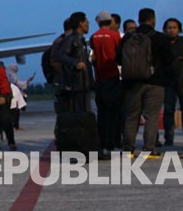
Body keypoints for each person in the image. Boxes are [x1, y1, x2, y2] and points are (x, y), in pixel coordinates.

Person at [117, 8, 173, 157]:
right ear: (153, 19)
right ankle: (149, 149)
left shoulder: (128, 37)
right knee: (152, 116)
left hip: (132, 83)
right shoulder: (160, 38)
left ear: (139, 19)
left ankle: (128, 149)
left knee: (131, 116)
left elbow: (118, 59)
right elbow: (169, 60)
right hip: (155, 82)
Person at [90, 10, 122, 158]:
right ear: (111, 21)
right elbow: (119, 56)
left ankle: (101, 143)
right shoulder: (115, 36)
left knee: (101, 113)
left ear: (98, 22)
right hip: (112, 76)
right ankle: (112, 143)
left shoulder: (93, 37)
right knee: (113, 113)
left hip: (99, 78)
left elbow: (93, 57)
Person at [162, 18, 183, 147]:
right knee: (168, 110)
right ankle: (168, 138)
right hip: (168, 81)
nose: (171, 30)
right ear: (165, 30)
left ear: (179, 29)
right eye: (169, 28)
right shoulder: (162, 43)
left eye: (174, 27)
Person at [59, 12, 93, 113]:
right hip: (76, 84)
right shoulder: (70, 39)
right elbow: (62, 56)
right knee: (79, 113)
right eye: (86, 22)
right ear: (80, 23)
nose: (88, 25)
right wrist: (75, 63)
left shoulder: (81, 40)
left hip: (83, 84)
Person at [5, 63, 33, 134]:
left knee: (14, 111)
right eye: (15, 67)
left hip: (13, 94)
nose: (17, 68)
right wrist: (27, 81)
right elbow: (18, 83)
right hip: (14, 94)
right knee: (15, 111)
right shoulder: (12, 75)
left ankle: (15, 126)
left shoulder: (10, 74)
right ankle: (15, 126)